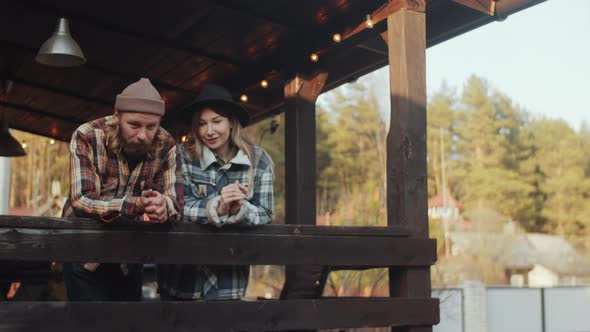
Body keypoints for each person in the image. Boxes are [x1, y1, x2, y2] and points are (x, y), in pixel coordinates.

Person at [61, 78, 183, 301]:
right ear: (117, 115)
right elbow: (82, 199)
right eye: (134, 125)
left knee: (127, 324)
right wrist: (134, 204)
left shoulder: (167, 144)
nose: (143, 135)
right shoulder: (87, 135)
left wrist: (162, 206)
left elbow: (175, 203)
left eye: (151, 127)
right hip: (83, 253)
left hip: (129, 255)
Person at [158, 84, 274, 301]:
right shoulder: (181, 156)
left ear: (231, 122)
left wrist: (241, 208)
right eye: (201, 124)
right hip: (181, 279)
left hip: (229, 280)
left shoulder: (259, 161)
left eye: (217, 121)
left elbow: (266, 212)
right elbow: (176, 205)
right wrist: (217, 207)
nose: (209, 131)